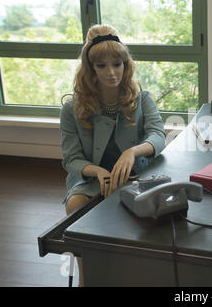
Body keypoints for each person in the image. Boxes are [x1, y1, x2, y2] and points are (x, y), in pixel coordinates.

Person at [59, 24, 166, 286]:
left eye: (117, 64)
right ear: (90, 69)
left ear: (125, 64)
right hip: (92, 177)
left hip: (135, 175)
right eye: (102, 66)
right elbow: (71, 159)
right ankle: (87, 277)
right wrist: (98, 171)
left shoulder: (143, 98)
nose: (112, 72)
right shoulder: (72, 108)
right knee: (75, 206)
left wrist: (132, 151)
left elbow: (158, 136)